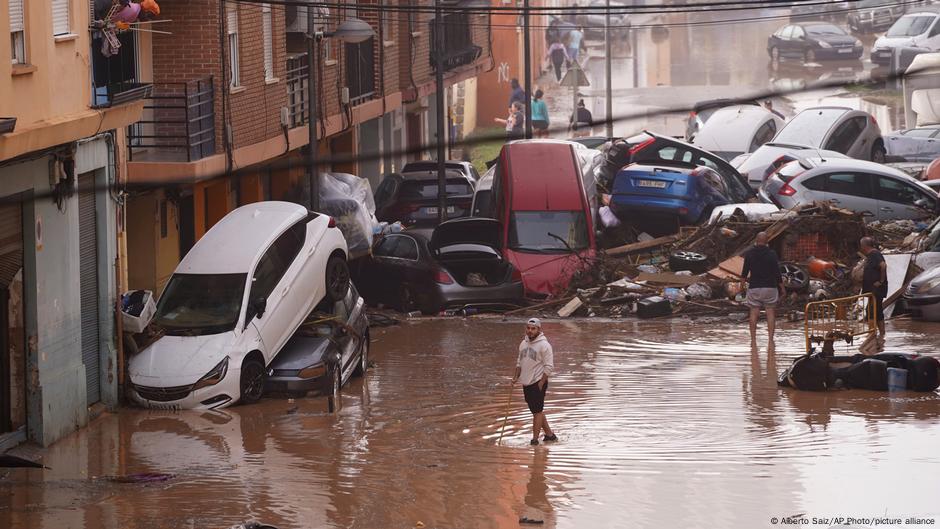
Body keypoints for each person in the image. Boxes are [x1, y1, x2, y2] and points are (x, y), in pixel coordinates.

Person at [512, 318, 557, 446]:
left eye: (533, 329)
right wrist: (515, 377)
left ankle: (534, 440)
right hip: (526, 382)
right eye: (528, 328)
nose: (530, 331)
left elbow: (549, 366)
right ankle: (550, 435)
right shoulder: (523, 344)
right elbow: (519, 363)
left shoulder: (544, 345)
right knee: (536, 410)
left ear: (539, 330)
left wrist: (541, 383)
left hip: (538, 382)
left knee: (537, 411)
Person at [742, 231, 785, 350]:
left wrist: (741, 286)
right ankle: (770, 340)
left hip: (754, 287)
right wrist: (782, 287)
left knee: (753, 313)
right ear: (766, 241)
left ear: (756, 240)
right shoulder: (772, 254)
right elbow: (777, 272)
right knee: (770, 313)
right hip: (770, 288)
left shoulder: (749, 254)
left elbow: (744, 272)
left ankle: (753, 340)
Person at [860, 236, 888, 345]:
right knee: (877, 311)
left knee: (871, 311)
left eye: (861, 245)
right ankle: (881, 335)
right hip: (873, 290)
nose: (861, 247)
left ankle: (872, 335)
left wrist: (880, 281)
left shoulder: (875, 254)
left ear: (864, 246)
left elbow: (883, 266)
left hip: (877, 289)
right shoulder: (870, 255)